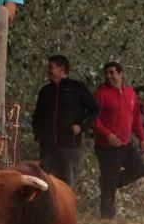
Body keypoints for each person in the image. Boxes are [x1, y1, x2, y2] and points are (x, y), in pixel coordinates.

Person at [31, 55, 100, 188]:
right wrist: (38, 135)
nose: (48, 71)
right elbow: (37, 116)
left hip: (69, 147)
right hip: (47, 148)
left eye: (51, 67)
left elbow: (94, 110)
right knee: (45, 185)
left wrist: (81, 127)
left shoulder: (77, 88)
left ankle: (66, 209)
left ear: (61, 69)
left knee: (66, 186)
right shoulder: (45, 91)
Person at [93, 62, 144, 219]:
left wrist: (142, 139)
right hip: (106, 146)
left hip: (125, 144)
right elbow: (93, 119)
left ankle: (107, 182)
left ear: (121, 74)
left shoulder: (130, 93)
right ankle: (107, 218)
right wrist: (107, 135)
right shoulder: (100, 94)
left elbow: (136, 118)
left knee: (140, 170)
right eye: (106, 73)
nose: (109, 76)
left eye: (112, 73)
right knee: (109, 181)